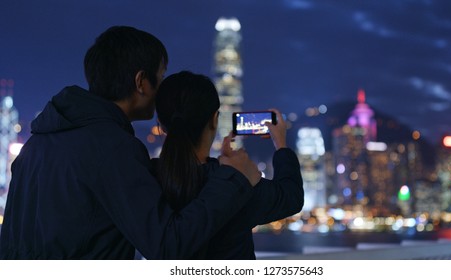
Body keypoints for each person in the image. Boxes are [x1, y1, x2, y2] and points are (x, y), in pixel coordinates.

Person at [0, 26, 261, 259]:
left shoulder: (39, 141)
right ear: (141, 82)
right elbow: (167, 245)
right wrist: (233, 179)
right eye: (160, 77)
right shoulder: (112, 147)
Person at [155, 71, 304, 259]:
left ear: (160, 124)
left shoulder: (147, 178)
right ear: (214, 120)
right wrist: (281, 144)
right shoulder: (235, 182)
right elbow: (291, 197)